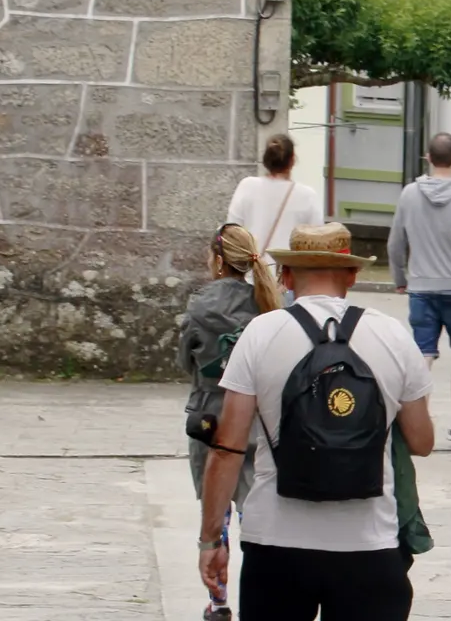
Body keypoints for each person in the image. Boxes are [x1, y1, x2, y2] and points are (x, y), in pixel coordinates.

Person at [197, 222, 436, 621]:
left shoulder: (260, 334)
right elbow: (422, 441)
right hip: (370, 546)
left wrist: (210, 541)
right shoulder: (393, 335)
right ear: (352, 275)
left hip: (275, 545)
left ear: (287, 275)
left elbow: (228, 449)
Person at [177, 223, 281, 621]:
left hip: (212, 417)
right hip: (259, 420)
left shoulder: (200, 306)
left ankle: (219, 602)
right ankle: (263, 593)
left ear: (218, 260)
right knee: (254, 512)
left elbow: (184, 360)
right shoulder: (270, 302)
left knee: (215, 510)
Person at [387, 132, 451, 445]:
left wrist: (400, 279)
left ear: (428, 158)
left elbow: (395, 243)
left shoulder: (408, 195)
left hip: (420, 287)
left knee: (423, 354)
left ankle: (417, 421)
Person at [227, 133, 324, 304]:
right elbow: (319, 247)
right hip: (287, 286)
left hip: (250, 283)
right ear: (292, 160)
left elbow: (231, 235)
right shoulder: (307, 196)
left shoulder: (247, 186)